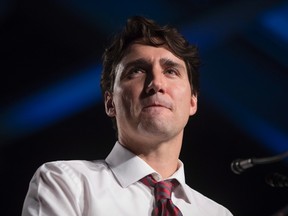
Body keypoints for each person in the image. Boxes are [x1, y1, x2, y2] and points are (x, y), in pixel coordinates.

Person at [21, 16, 233, 216]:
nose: (156, 84)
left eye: (171, 71)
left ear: (192, 101)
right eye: (137, 71)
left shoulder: (217, 213)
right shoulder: (66, 183)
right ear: (110, 102)